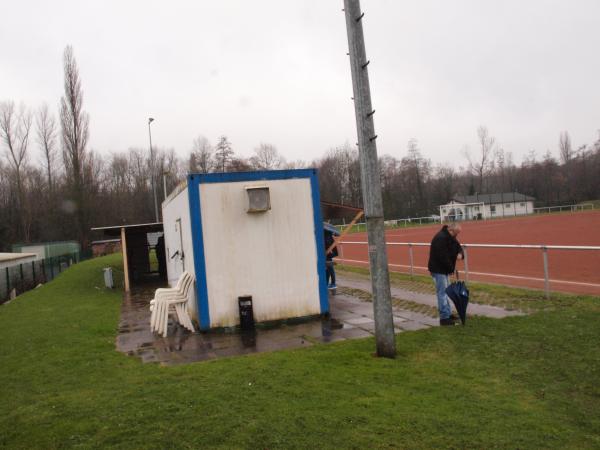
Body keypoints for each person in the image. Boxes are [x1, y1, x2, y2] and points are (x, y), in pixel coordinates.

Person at [427, 222, 464, 326]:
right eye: (457, 233)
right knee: (442, 293)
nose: (457, 235)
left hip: (444, 270)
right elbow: (442, 257)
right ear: (451, 230)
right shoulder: (440, 238)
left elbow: (458, 246)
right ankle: (444, 318)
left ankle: (448, 314)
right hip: (439, 270)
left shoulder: (451, 236)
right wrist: (451, 268)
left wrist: (461, 253)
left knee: (446, 292)